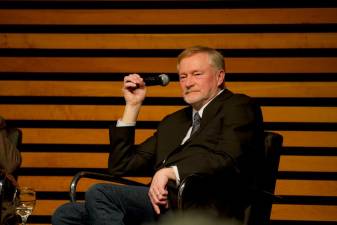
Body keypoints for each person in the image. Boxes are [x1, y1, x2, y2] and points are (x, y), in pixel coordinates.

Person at [52, 46, 264, 225]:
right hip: (160, 203)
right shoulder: (173, 122)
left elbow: (228, 158)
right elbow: (122, 165)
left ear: (219, 77)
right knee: (66, 214)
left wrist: (170, 171)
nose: (188, 82)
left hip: (201, 204)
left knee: (100, 193)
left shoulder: (238, 106)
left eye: (197, 74)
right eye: (183, 76)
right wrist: (132, 107)